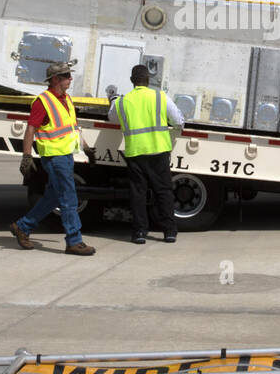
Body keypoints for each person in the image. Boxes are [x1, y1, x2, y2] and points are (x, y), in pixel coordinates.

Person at [12, 61, 97, 256]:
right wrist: (26, 156)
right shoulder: (43, 101)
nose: (71, 79)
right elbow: (31, 128)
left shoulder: (66, 99)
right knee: (68, 197)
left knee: (53, 197)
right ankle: (74, 241)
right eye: (67, 76)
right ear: (56, 79)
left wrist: (86, 149)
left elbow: (73, 128)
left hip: (65, 156)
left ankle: (22, 227)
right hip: (54, 157)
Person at [109, 64, 183, 244]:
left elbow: (112, 117)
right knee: (164, 191)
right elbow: (179, 121)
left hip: (136, 153)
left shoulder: (122, 101)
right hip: (159, 150)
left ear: (132, 81)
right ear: (148, 80)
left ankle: (140, 233)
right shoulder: (159, 97)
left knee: (138, 194)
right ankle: (169, 231)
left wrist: (112, 99)